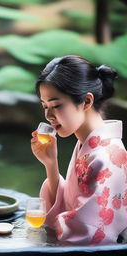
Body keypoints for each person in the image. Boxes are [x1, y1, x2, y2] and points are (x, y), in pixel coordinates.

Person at [31, 55, 127, 245]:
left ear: (86, 101)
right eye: (45, 106)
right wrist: (51, 164)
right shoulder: (88, 145)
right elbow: (75, 204)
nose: (49, 116)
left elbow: (87, 233)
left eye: (56, 105)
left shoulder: (107, 156)